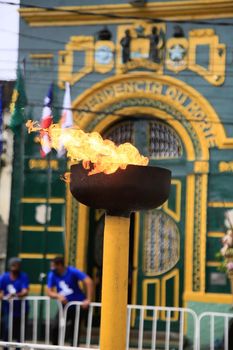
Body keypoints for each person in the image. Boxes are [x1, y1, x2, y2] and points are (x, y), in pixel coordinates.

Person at [47, 256, 93, 346]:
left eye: (53, 266)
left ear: (60, 265)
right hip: (64, 306)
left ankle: (74, 347)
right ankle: (55, 347)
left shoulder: (72, 271)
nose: (51, 268)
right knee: (55, 327)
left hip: (78, 305)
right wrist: (57, 295)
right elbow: (49, 291)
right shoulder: (52, 274)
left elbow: (88, 281)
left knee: (75, 330)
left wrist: (88, 299)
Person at [0, 257, 29, 350]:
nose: (15, 267)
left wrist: (15, 295)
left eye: (17, 265)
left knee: (20, 333)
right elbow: (0, 292)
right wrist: (3, 296)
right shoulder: (4, 277)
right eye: (14, 265)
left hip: (22, 310)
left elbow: (25, 291)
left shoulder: (23, 276)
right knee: (7, 331)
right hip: (8, 310)